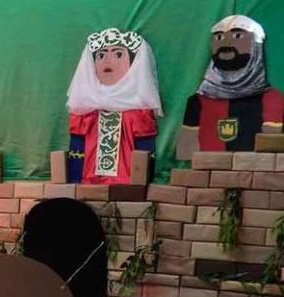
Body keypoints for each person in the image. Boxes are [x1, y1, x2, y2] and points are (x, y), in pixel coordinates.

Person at [177, 15, 283, 158]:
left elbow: (273, 154)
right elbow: (186, 156)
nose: (226, 43)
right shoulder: (197, 102)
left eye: (237, 35)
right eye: (219, 37)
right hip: (207, 176)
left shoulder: (272, 100)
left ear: (255, 46)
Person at [66, 27, 162, 184]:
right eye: (101, 55)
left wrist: (141, 184)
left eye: (118, 54)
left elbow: (145, 152)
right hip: (87, 185)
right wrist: (75, 182)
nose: (107, 60)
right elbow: (77, 150)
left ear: (133, 63)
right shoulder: (85, 108)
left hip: (128, 187)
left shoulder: (139, 112)